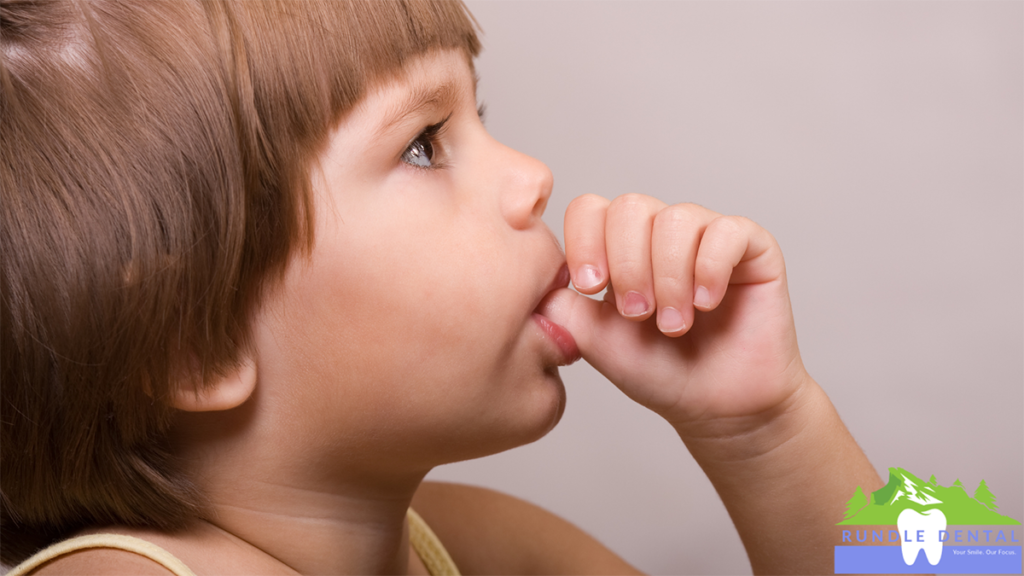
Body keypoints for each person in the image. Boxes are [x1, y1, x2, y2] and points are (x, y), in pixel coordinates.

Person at [0, 0, 882, 574]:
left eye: (480, 113)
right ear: (190, 337)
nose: (533, 176)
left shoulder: (487, 546)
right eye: (424, 142)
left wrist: (770, 428)